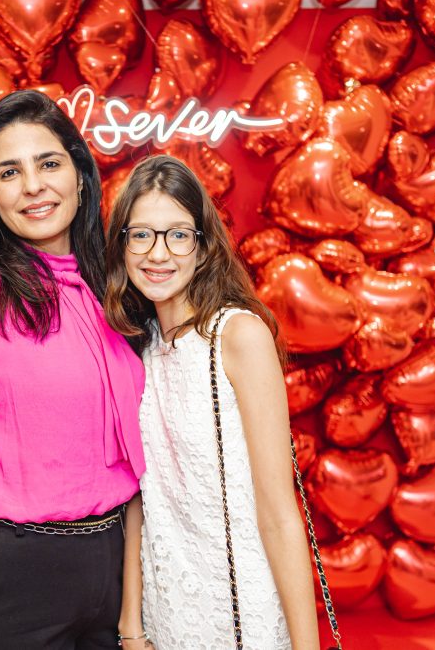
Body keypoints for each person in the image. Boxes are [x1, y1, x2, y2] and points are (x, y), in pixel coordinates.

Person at [0, 90, 146, 650]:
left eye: (49, 164)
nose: (34, 186)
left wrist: (132, 619)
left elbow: (139, 465)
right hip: (11, 580)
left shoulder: (118, 294)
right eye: (9, 172)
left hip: (109, 570)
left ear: (81, 175)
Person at [104, 155, 321, 649]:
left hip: (241, 612)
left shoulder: (238, 335)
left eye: (178, 234)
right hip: (166, 612)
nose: (158, 253)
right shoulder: (139, 346)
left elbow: (279, 512)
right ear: (121, 246)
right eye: (141, 234)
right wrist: (132, 626)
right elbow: (140, 500)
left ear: (202, 248)